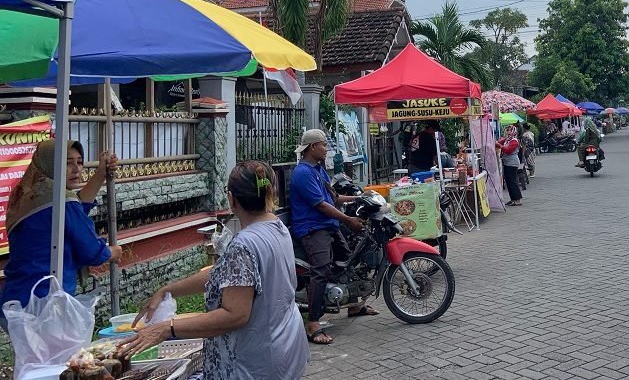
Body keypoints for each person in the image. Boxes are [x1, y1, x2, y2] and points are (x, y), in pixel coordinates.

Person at [119, 161, 309, 379]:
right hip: (283, 348)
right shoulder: (276, 226)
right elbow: (225, 274)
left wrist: (167, 328)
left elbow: (235, 315)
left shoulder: (244, 244)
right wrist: (167, 290)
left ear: (231, 198)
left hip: (254, 363)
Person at [0, 140, 123, 331]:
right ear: (51, 164)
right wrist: (111, 252)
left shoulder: (28, 194)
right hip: (45, 304)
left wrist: (101, 174)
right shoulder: (60, 201)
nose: (76, 169)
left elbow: (75, 209)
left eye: (80, 162)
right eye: (67, 162)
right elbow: (90, 251)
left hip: (16, 300)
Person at [288, 129, 370, 346]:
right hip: (312, 228)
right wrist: (347, 220)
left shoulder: (318, 170)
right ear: (312, 147)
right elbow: (322, 205)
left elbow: (334, 197)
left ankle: (354, 305)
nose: (327, 149)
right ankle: (313, 322)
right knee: (321, 269)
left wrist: (361, 197)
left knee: (349, 261)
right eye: (324, 145)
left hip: (327, 225)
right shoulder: (303, 173)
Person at [497, 126, 523, 206]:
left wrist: (500, 146)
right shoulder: (508, 140)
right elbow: (500, 142)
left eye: (510, 130)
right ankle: (513, 199)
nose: (508, 132)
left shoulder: (514, 141)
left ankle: (517, 200)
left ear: (514, 132)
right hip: (507, 162)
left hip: (512, 163)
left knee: (512, 181)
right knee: (509, 182)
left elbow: (508, 150)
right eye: (507, 130)